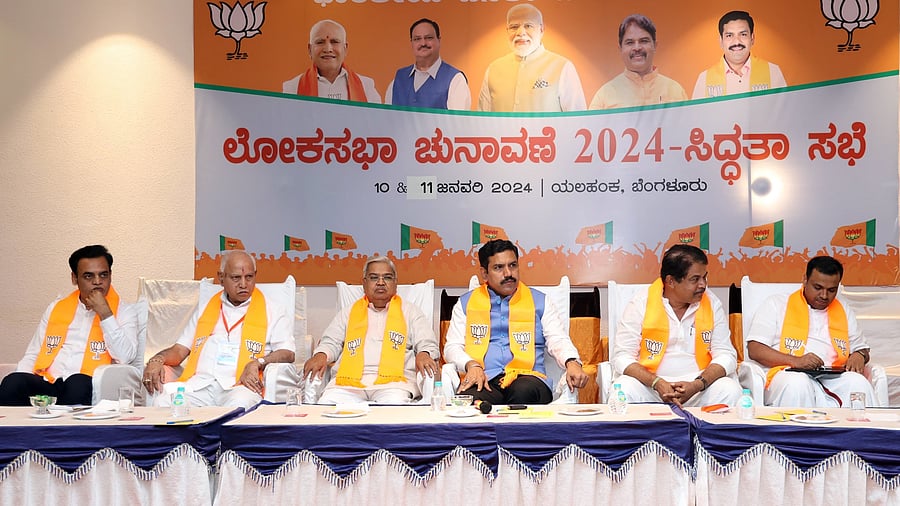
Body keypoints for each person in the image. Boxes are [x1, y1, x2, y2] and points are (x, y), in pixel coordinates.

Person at [142, 250, 295, 409]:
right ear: (221, 278)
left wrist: (258, 362)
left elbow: (288, 352)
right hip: (200, 385)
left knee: (239, 405)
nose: (243, 284)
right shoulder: (205, 309)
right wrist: (157, 360)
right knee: (163, 403)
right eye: (236, 278)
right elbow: (180, 350)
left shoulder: (274, 310)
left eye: (249, 277)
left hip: (239, 387)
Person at [444, 239, 588, 405]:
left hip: (529, 378)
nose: (508, 274)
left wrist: (572, 362)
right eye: (499, 267)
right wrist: (471, 365)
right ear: (484, 273)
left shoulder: (540, 301)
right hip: (484, 378)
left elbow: (558, 339)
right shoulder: (465, 304)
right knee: (469, 402)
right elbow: (452, 347)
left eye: (512, 265)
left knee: (522, 393)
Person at [0, 245, 138, 406]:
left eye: (103, 275)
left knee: (76, 382)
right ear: (74, 278)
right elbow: (33, 354)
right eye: (88, 276)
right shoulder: (56, 308)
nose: (97, 282)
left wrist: (105, 314)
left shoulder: (125, 311)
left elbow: (126, 357)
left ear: (110, 276)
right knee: (13, 382)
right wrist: (23, 380)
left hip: (90, 385)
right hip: (50, 383)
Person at [612, 244, 741, 406]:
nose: (703, 285)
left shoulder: (711, 303)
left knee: (730, 390)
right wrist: (656, 382)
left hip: (699, 387)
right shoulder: (641, 303)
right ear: (671, 281)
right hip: (651, 387)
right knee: (623, 389)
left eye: (704, 277)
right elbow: (622, 356)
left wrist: (697, 384)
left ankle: (709, 432)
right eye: (695, 279)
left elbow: (726, 354)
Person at [303, 257, 439, 404]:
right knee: (327, 405)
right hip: (348, 383)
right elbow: (331, 342)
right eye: (374, 278)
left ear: (395, 283)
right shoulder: (348, 313)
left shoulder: (410, 311)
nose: (381, 282)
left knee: (394, 408)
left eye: (387, 277)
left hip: (395, 384)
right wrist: (321, 354)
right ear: (364, 283)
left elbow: (427, 343)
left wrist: (424, 354)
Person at [746, 256, 876, 407]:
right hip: (787, 373)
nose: (824, 296)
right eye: (818, 288)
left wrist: (859, 355)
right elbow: (755, 349)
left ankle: (856, 431)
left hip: (833, 377)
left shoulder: (842, 308)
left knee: (858, 383)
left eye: (831, 290)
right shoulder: (776, 304)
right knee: (797, 383)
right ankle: (800, 431)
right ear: (805, 280)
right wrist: (796, 361)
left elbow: (861, 349)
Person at [478, 4, 586, 112]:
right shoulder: (493, 69)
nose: (520, 33)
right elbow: (482, 120)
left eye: (528, 26)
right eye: (514, 27)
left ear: (542, 30)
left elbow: (577, 122)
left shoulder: (562, 67)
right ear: (507, 30)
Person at [589, 14, 687, 110]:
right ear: (620, 49)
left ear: (655, 46)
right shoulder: (604, 96)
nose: (637, 48)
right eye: (630, 42)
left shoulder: (676, 91)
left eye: (644, 41)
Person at [691, 10, 786, 98]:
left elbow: (786, 112)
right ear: (721, 41)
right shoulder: (704, 79)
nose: (736, 41)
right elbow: (696, 115)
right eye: (729, 35)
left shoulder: (772, 72)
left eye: (743, 34)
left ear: (752, 38)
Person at [282, 19, 381, 103]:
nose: (328, 49)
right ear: (309, 49)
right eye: (320, 42)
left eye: (334, 42)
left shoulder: (366, 87)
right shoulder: (292, 88)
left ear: (345, 48)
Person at [385, 18, 471, 110]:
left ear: (439, 40)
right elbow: (388, 118)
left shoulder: (455, 79)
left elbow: (458, 122)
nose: (423, 43)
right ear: (412, 43)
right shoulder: (398, 79)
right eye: (417, 39)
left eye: (429, 38)